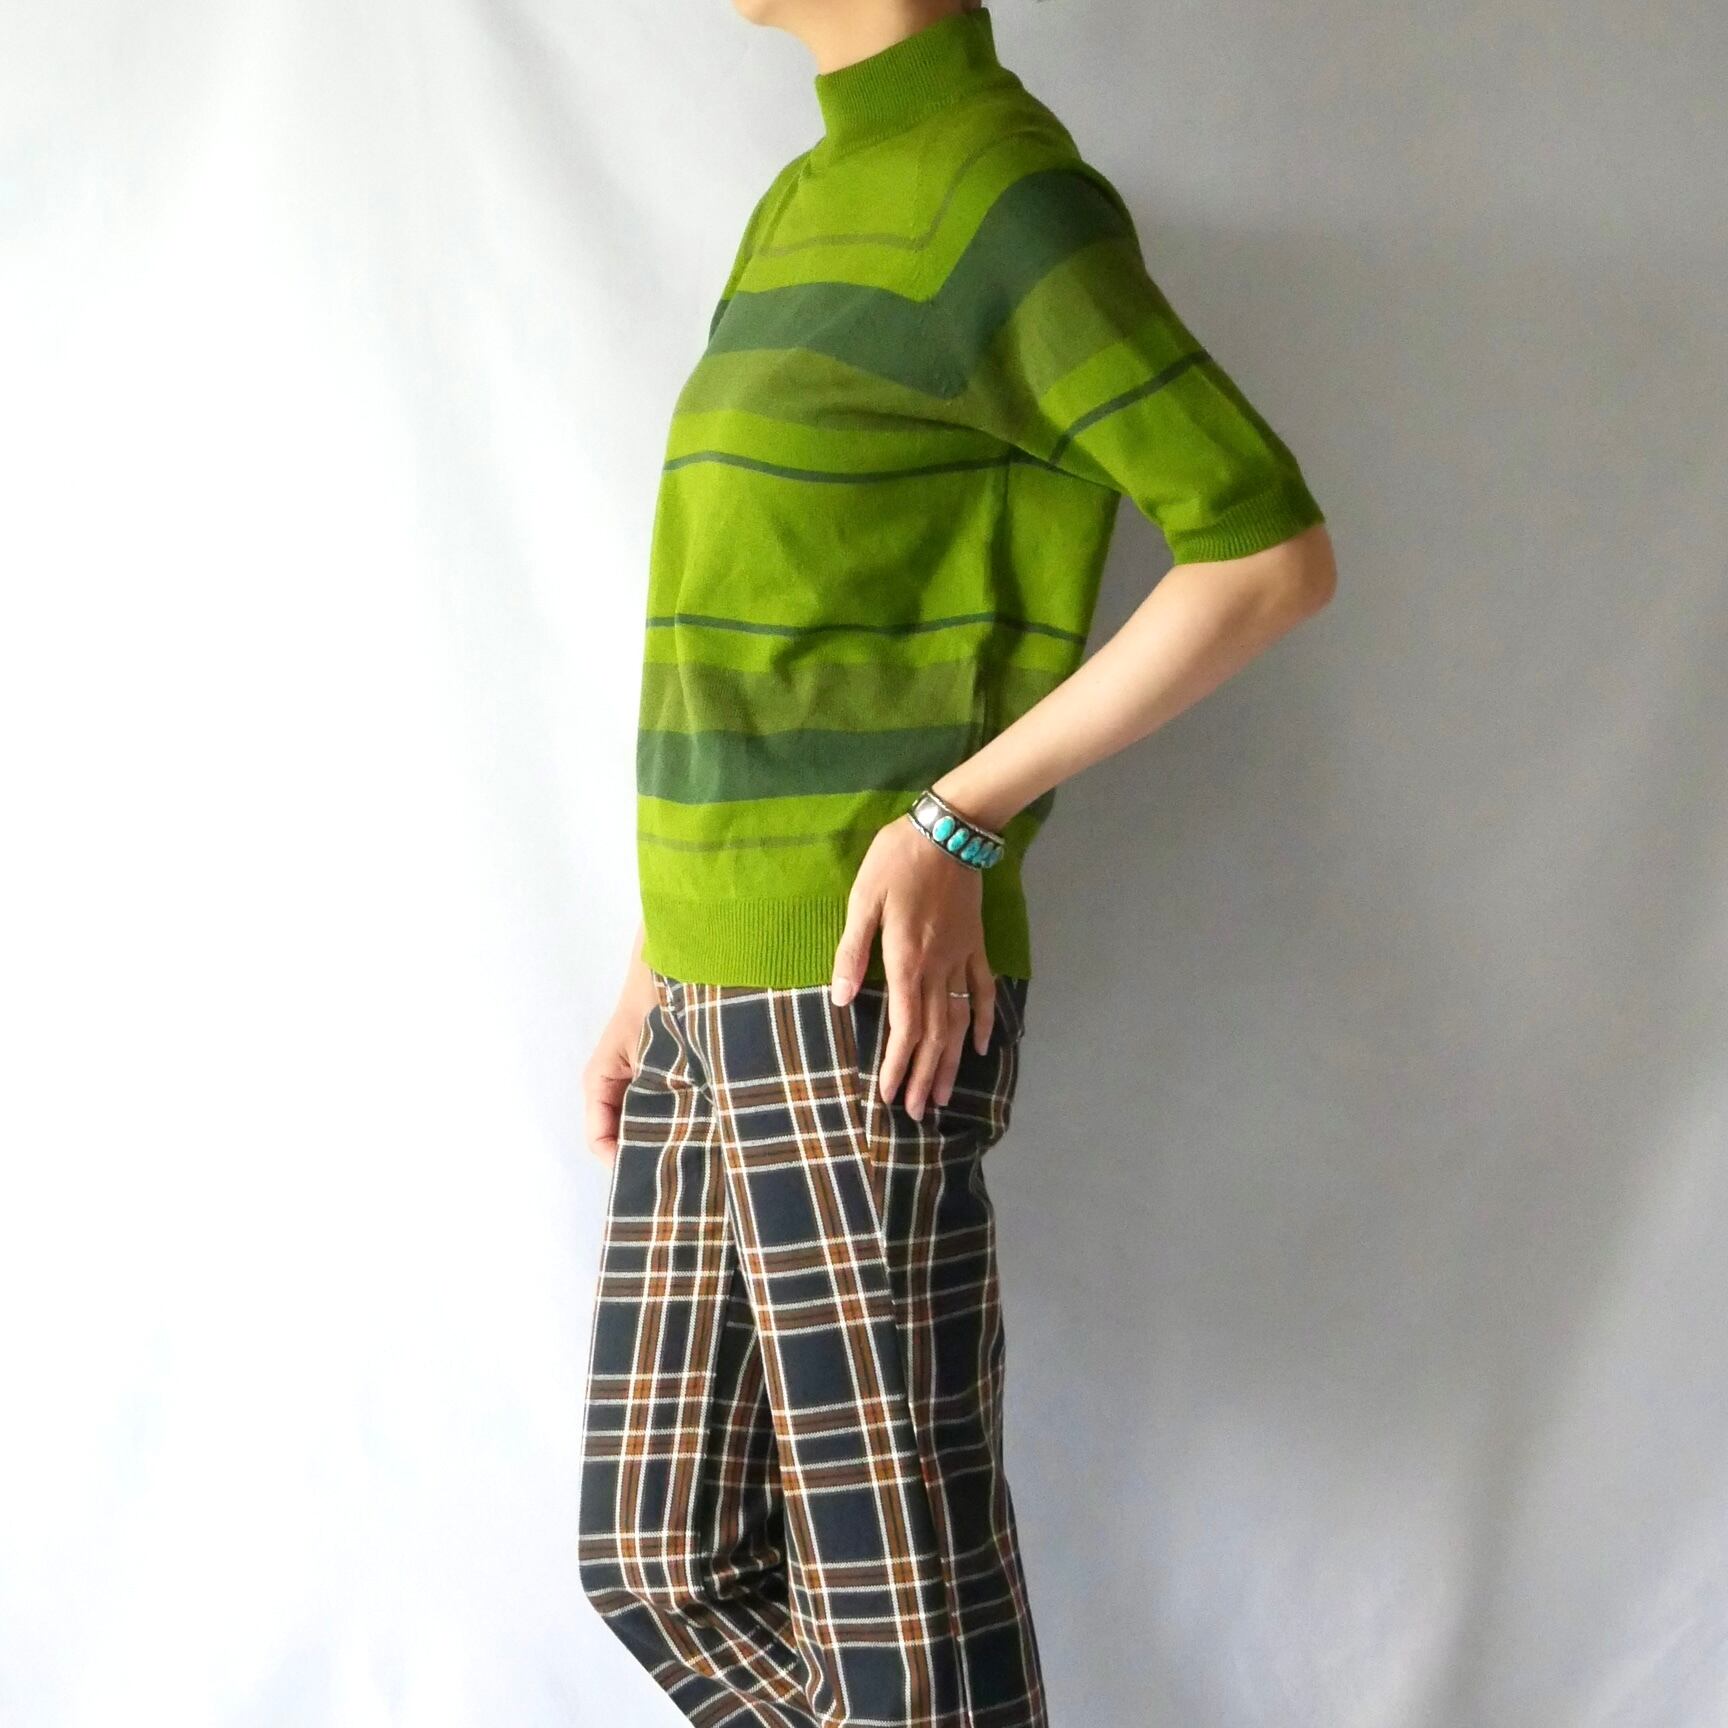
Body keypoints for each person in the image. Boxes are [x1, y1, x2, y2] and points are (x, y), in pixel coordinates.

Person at [577, 3, 1337, 1724]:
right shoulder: (801, 202)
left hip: (856, 991)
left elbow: (1266, 554)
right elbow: (760, 631)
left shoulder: (1002, 195)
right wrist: (656, 953)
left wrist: (960, 817)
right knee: (659, 1557)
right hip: (711, 981)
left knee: (901, 1614)